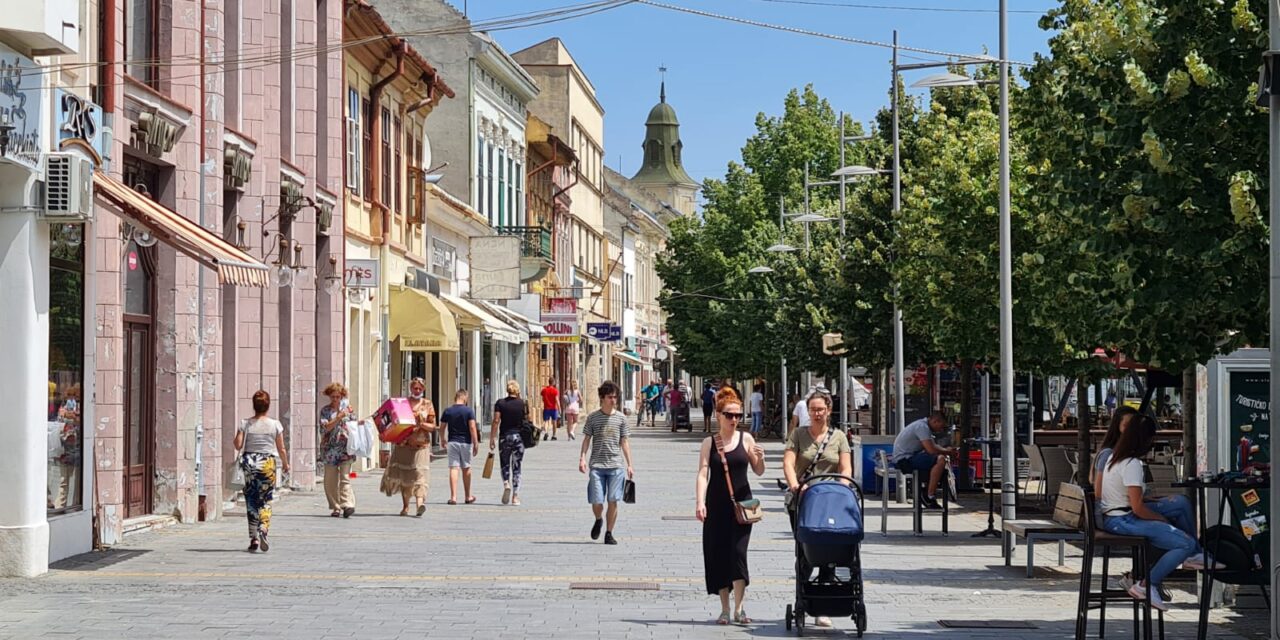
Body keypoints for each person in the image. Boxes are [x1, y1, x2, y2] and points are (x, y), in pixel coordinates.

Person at [1099, 415, 1221, 610]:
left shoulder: (1115, 457)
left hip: (1117, 514)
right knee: (1185, 543)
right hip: (1123, 518)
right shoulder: (1132, 465)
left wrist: (1152, 505)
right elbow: (1138, 509)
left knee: (1180, 503)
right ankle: (1147, 585)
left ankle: (1195, 554)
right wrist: (1162, 520)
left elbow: (1129, 498)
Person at [782, 389, 853, 628]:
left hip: (831, 501)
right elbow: (789, 463)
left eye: (821, 409)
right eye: (813, 410)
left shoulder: (839, 436)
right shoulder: (799, 435)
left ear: (829, 410)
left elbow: (845, 468)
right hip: (803, 500)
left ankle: (824, 605)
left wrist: (843, 488)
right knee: (807, 551)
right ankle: (804, 597)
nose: (817, 414)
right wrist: (794, 485)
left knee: (831, 551)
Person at [696, 387, 766, 625]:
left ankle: (740, 608)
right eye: (729, 415)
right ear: (718, 415)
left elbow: (758, 470)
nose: (734, 420)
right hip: (716, 505)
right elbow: (703, 473)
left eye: (738, 416)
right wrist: (699, 502)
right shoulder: (709, 443)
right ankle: (725, 609)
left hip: (743, 507)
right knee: (719, 555)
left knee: (738, 553)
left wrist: (761, 457)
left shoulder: (746, 439)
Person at [578, 380, 635, 545]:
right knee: (597, 501)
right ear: (602, 398)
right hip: (597, 466)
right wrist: (582, 458)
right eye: (610, 397)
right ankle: (598, 519)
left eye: (615, 397)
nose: (613, 400)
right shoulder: (593, 418)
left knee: (613, 499)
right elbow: (587, 439)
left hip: (616, 466)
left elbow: (624, 442)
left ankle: (609, 533)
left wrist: (630, 464)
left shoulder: (621, 419)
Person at [234, 390, 289, 552]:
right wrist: (285, 464)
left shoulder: (245, 423)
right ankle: (264, 527)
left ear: (254, 405)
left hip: (249, 463)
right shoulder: (275, 424)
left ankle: (254, 539)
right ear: (268, 405)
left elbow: (237, 445)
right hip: (267, 463)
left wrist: (240, 431)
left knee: (251, 501)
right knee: (265, 499)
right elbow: (282, 448)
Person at [380, 377, 436, 517]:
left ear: (423, 389)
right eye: (414, 388)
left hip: (420, 446)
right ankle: (405, 506)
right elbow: (391, 422)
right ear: (410, 388)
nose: (417, 391)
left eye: (419, 388)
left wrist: (421, 424)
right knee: (405, 478)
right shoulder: (402, 404)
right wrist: (385, 434)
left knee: (420, 475)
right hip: (403, 445)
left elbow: (432, 426)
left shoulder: (427, 404)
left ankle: (419, 504)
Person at [890, 411, 956, 509]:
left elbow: (932, 446)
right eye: (941, 426)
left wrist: (945, 450)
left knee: (938, 460)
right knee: (941, 459)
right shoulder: (922, 427)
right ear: (935, 421)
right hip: (904, 460)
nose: (941, 429)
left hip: (908, 457)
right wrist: (947, 452)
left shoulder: (923, 426)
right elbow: (931, 450)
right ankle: (929, 495)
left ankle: (926, 488)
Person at [319, 382, 356, 518]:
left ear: (342, 396)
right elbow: (325, 427)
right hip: (329, 449)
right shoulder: (325, 411)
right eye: (333, 397)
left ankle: (347, 505)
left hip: (345, 448)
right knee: (330, 479)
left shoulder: (348, 410)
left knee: (345, 477)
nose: (335, 399)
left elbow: (354, 424)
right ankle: (335, 507)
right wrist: (338, 417)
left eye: (338, 397)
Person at [489, 379, 528, 506]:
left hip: (505, 437)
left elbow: (496, 421)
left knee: (504, 463)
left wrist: (492, 438)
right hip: (519, 438)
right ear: (517, 390)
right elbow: (528, 420)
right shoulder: (522, 404)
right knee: (517, 466)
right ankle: (515, 497)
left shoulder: (500, 403)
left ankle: (506, 483)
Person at [442, 389, 480, 505]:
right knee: (466, 468)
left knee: (454, 468)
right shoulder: (469, 411)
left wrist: (442, 439)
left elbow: (442, 427)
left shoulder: (448, 411)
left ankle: (453, 497)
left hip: (452, 442)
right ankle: (468, 496)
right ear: (465, 398)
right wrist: (476, 442)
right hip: (465, 442)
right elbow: (472, 427)